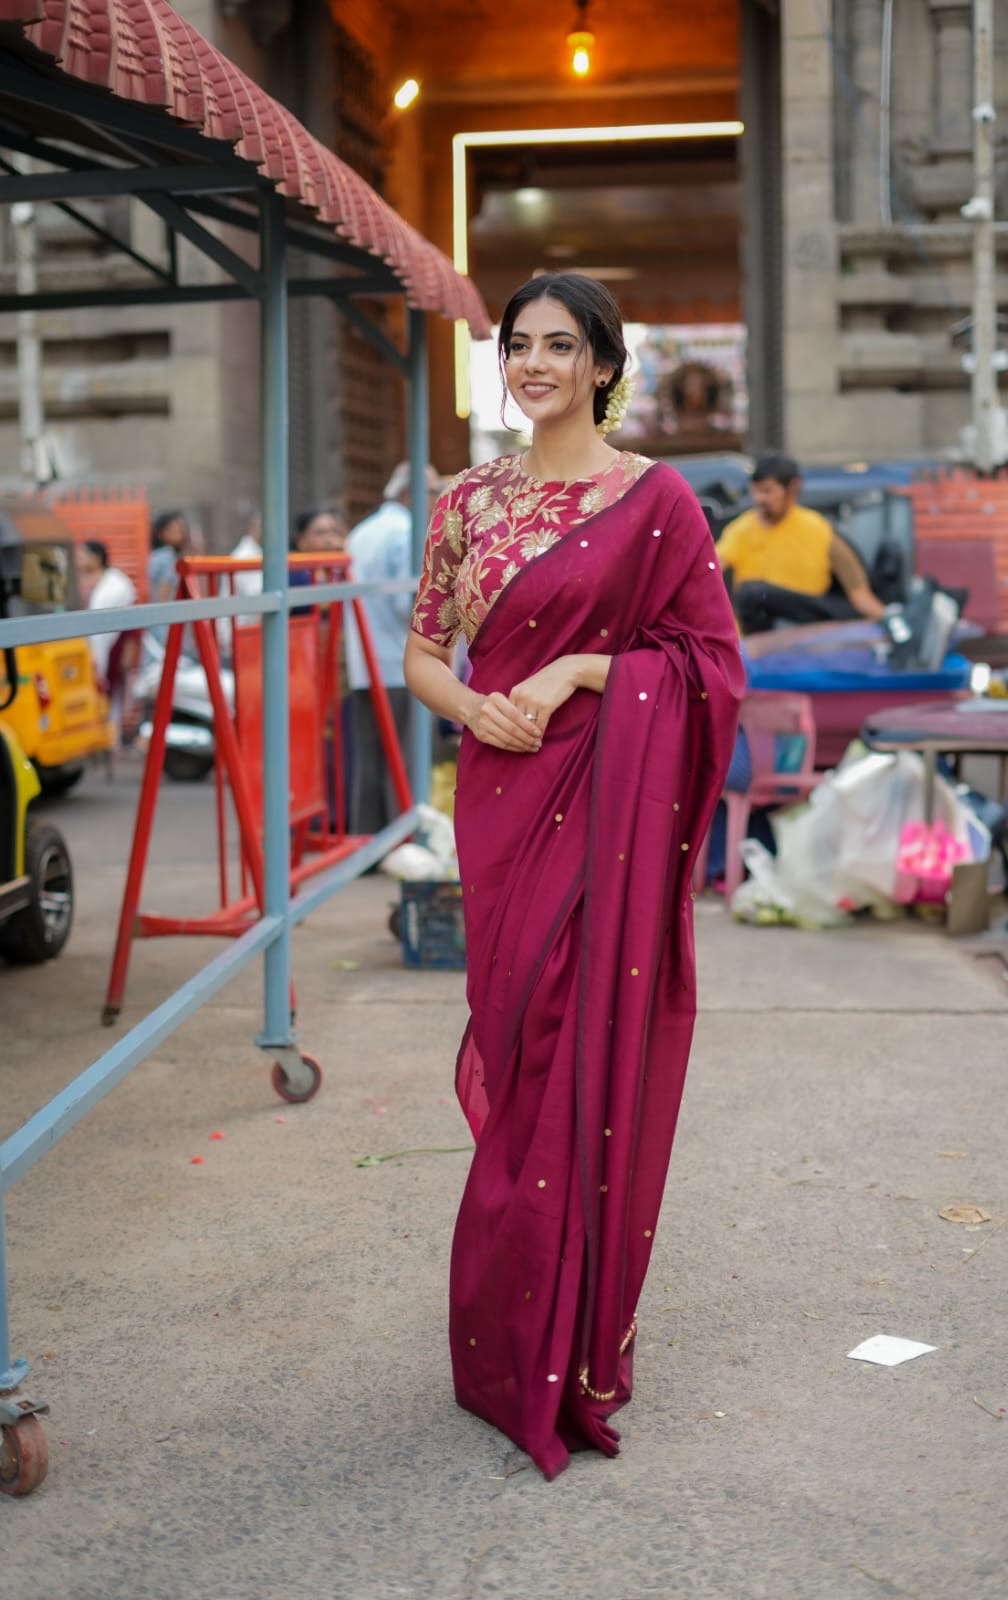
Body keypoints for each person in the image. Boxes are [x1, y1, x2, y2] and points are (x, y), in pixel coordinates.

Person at [404, 272, 744, 1480]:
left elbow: (708, 663)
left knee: (570, 1045)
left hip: (603, 807)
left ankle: (567, 1338)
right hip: (501, 804)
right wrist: (476, 708)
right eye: (519, 344)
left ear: (604, 363)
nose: (534, 363)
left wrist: (585, 673)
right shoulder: (465, 499)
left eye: (560, 345)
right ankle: (505, 1334)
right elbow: (422, 648)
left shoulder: (655, 501)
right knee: (512, 1046)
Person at [343, 461, 443, 836]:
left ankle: (368, 840)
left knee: (370, 760)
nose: (437, 500)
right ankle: (405, 840)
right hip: (403, 662)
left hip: (365, 663)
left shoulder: (362, 531)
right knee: (408, 760)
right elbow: (412, 606)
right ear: (410, 493)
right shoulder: (407, 532)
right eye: (432, 492)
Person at [716, 454, 885, 634]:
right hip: (762, 634)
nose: (760, 499)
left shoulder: (819, 529)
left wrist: (889, 619)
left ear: (793, 488)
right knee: (753, 593)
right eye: (755, 491)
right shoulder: (740, 531)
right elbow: (712, 569)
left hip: (808, 626)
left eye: (767, 491)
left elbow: (859, 594)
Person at [76, 539, 139, 724]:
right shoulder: (75, 581)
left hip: (110, 647)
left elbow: (131, 622)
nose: (78, 559)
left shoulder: (118, 584)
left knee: (110, 695)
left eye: (82, 555)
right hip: (80, 647)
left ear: (96, 558)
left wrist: (129, 651)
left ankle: (110, 737)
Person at [146, 509, 189, 645]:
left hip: (154, 620)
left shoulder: (156, 555)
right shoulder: (168, 557)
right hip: (163, 622)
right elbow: (163, 596)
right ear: (161, 533)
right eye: (173, 529)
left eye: (180, 529)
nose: (179, 533)